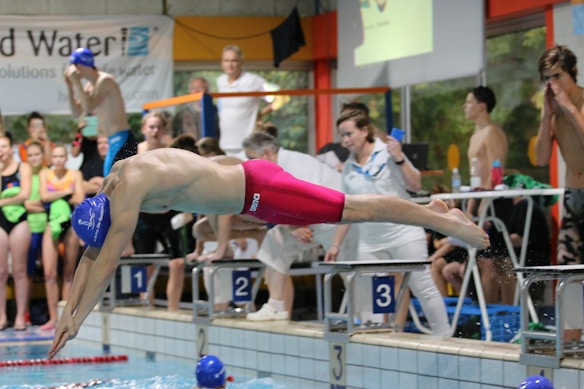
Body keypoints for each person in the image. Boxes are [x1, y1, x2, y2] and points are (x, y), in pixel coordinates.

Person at [47, 148, 489, 358]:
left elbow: (105, 261)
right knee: (348, 212)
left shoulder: (127, 195)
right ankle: (431, 212)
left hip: (259, 192)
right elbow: (93, 255)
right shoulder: (116, 179)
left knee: (354, 210)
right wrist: (68, 309)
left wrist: (79, 318)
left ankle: (438, 217)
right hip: (247, 186)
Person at [337, 108, 450, 335]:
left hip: (403, 232)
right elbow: (348, 208)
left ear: (365, 131)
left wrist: (399, 157)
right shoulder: (349, 167)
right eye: (342, 135)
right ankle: (375, 337)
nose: (345, 140)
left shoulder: (388, 153)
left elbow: (416, 186)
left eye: (349, 134)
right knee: (368, 289)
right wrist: (335, 244)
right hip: (370, 240)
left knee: (421, 285)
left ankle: (444, 336)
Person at [242, 131, 358, 320]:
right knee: (274, 242)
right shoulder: (274, 169)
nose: (248, 163)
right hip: (316, 220)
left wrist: (297, 225)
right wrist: (293, 226)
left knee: (353, 276)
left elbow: (309, 199)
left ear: (266, 153)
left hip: (339, 221)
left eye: (250, 158)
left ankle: (368, 321)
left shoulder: (296, 164)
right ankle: (276, 306)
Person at [534, 44, 584, 342]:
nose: (552, 84)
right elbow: (541, 158)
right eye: (547, 79)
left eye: (557, 76)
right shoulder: (553, 113)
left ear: (573, 73)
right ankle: (573, 343)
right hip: (574, 198)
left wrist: (569, 109)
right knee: (569, 273)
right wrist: (545, 117)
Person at [464, 85, 515, 305]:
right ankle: (490, 316)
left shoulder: (493, 132)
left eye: (469, 102)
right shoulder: (475, 136)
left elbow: (496, 171)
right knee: (485, 262)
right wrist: (471, 206)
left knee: (500, 262)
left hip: (495, 200)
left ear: (482, 106)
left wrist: (483, 204)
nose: (464, 107)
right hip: (482, 199)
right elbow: (477, 176)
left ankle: (509, 314)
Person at [133, 111, 185, 311]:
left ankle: (173, 311)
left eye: (158, 127)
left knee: (178, 263)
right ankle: (148, 308)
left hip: (167, 214)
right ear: (144, 129)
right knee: (146, 266)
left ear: (163, 130)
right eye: (151, 127)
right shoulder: (136, 152)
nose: (155, 131)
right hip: (144, 215)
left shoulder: (170, 153)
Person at [65, 47, 136, 176]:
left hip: (122, 139)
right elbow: (76, 112)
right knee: (109, 184)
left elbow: (88, 107)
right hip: (111, 140)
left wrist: (76, 82)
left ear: (80, 65)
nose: (73, 71)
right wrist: (70, 87)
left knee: (115, 185)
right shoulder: (89, 86)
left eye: (74, 66)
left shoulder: (105, 80)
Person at [39, 145, 85, 330]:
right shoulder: (45, 174)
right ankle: (52, 317)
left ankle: (65, 317)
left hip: (71, 224)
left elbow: (80, 198)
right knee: (49, 273)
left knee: (68, 272)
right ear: (52, 159)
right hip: (52, 222)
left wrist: (55, 195)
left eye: (61, 156)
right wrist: (67, 193)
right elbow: (43, 196)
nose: (58, 160)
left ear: (66, 158)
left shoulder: (75, 174)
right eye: (55, 157)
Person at [216, 44, 275, 157]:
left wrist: (261, 114)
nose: (230, 65)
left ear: (242, 62)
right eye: (226, 60)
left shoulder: (253, 80)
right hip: (225, 146)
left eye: (234, 61)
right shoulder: (220, 81)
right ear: (222, 63)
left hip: (247, 147)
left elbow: (281, 97)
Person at [0, 135, 32, 331]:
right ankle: (1, 316)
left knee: (20, 271)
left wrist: (3, 201)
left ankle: (21, 315)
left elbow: (25, 194)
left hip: (20, 220)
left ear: (11, 148)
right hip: (0, 221)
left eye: (3, 146)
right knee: (0, 272)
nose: (0, 150)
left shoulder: (23, 168)